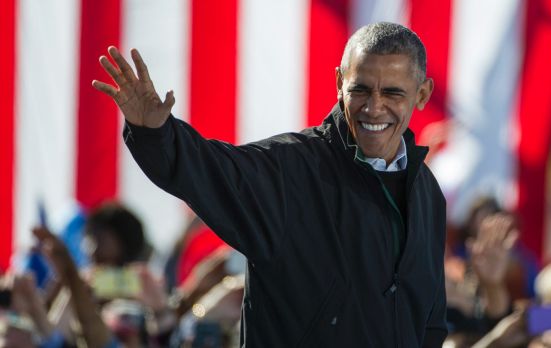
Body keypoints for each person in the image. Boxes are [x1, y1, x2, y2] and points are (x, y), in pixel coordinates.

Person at [93, 22, 447, 347]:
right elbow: (206, 170)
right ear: (339, 83)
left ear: (422, 94)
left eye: (393, 93)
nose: (374, 107)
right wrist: (155, 134)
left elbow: (430, 322)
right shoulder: (288, 169)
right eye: (362, 89)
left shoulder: (427, 192)